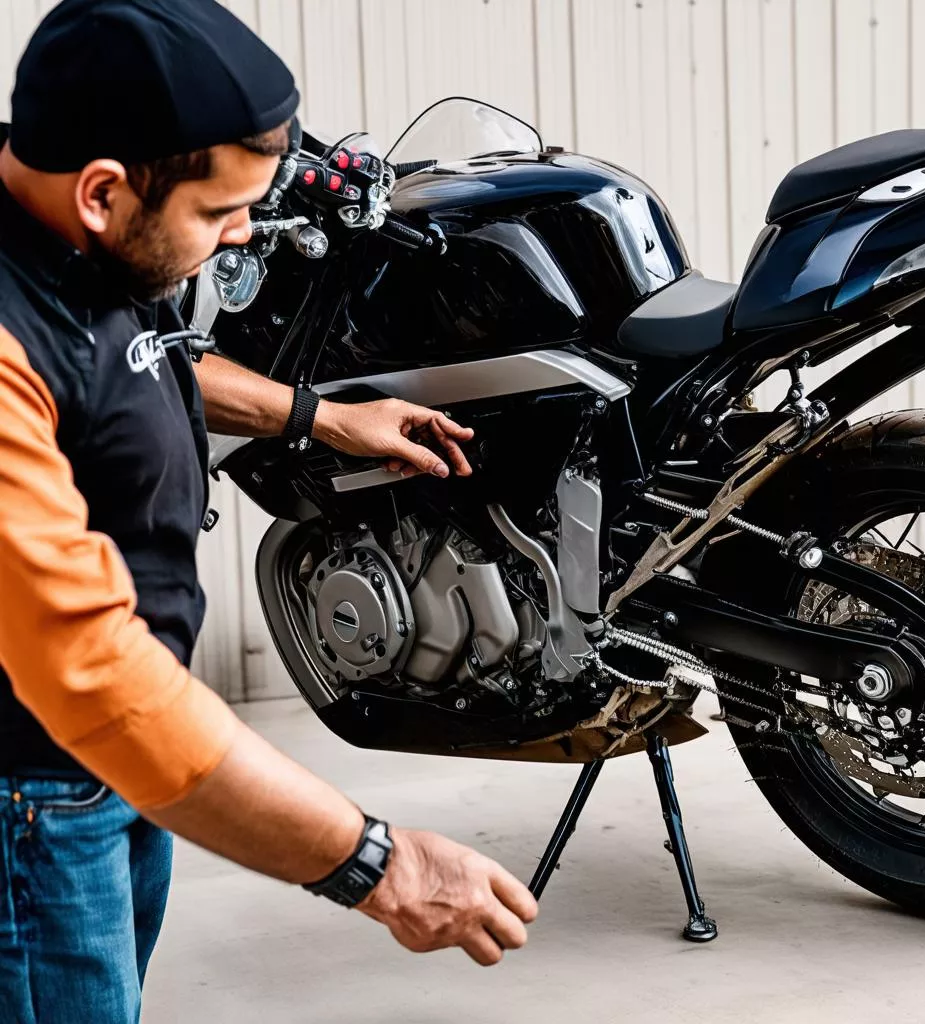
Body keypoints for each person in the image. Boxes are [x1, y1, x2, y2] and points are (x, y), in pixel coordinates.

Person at [0, 2, 537, 1021]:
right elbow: (96, 682)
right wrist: (378, 864)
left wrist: (322, 417)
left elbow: (139, 356)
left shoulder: (67, 210)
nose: (241, 233)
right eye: (217, 215)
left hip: (114, 771)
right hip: (34, 800)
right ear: (104, 193)